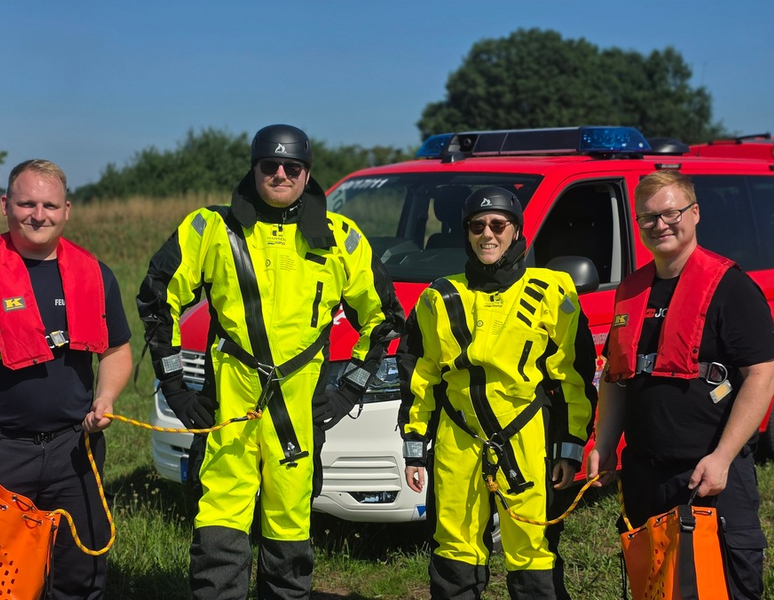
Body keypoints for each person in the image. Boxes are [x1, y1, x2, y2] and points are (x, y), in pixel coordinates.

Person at [137, 124, 404, 600]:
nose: (280, 174)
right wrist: (175, 385)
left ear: (307, 173)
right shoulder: (210, 229)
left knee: (290, 520)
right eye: (270, 165)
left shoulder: (340, 237)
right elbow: (158, 300)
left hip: (299, 412)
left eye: (292, 167)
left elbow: (383, 319)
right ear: (254, 168)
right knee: (220, 515)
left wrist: (349, 390)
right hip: (228, 408)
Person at [398, 186, 597, 599]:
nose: (487, 234)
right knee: (454, 551)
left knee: (533, 552)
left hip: (528, 440)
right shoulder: (438, 297)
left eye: (498, 225)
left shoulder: (553, 292)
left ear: (516, 230)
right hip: (458, 442)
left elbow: (573, 379)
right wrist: (415, 443)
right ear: (466, 233)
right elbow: (421, 376)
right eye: (477, 226)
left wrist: (570, 446)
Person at [587, 170, 774, 599]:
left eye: (670, 213)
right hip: (644, 477)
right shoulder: (631, 291)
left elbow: (762, 375)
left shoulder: (732, 288)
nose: (660, 225)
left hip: (709, 476)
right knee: (656, 589)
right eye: (649, 218)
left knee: (723, 588)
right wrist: (603, 445)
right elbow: (617, 379)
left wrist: (723, 457)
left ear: (694, 213)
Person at [0, 159, 133, 599]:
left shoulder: (95, 274)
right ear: (6, 205)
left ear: (67, 211)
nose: (39, 214)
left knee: (81, 574)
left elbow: (116, 350)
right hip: (6, 449)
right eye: (27, 203)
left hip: (75, 449)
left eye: (50, 205)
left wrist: (107, 398)